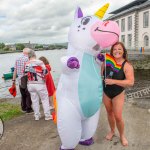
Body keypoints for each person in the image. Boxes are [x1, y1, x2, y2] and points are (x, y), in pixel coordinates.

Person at [101, 42, 134, 146]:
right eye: (114, 49)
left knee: (118, 116)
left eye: (119, 49)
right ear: (112, 51)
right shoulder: (107, 61)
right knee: (109, 113)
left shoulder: (127, 65)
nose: (117, 51)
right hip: (106, 92)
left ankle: (122, 135)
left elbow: (130, 82)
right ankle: (112, 131)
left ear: (123, 51)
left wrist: (114, 81)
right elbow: (101, 73)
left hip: (118, 93)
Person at [24, 49, 52, 121]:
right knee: (44, 99)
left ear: (28, 56)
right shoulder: (39, 62)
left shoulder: (26, 63)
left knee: (34, 100)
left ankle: (37, 115)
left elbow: (26, 73)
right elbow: (45, 72)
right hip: (40, 84)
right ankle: (47, 115)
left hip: (30, 84)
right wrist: (42, 77)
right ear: (34, 55)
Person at [12, 48, 33, 113]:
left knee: (23, 94)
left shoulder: (17, 58)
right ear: (28, 53)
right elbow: (29, 70)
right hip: (26, 78)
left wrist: (13, 80)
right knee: (28, 93)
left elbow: (15, 70)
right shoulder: (28, 59)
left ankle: (23, 108)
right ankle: (28, 109)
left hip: (20, 79)